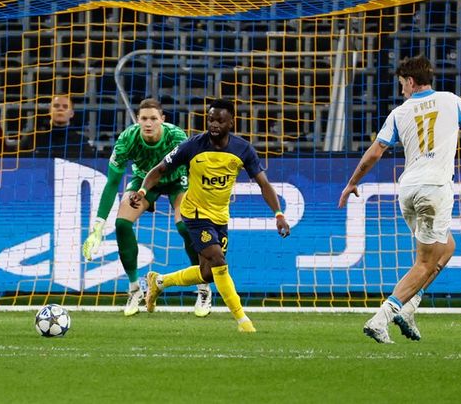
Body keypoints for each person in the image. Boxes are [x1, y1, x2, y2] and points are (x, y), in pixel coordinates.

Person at [339, 54, 461, 344]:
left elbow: (374, 153)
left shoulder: (399, 112)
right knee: (425, 261)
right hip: (435, 188)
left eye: (401, 85)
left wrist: (352, 183)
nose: (401, 90)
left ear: (410, 81)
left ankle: (409, 307)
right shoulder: (451, 100)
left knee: (446, 248)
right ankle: (381, 318)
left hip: (408, 189)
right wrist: (454, 128)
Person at [133, 99, 290, 333]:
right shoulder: (192, 146)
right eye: (211, 119)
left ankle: (159, 281)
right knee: (219, 261)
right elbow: (159, 170)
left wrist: (278, 214)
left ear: (231, 122)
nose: (214, 124)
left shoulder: (242, 150)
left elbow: (263, 184)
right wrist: (143, 191)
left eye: (220, 120)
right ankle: (242, 320)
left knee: (207, 273)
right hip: (195, 214)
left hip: (220, 217)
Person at [82, 98, 210, 317]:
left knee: (185, 227)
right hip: (144, 183)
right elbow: (112, 183)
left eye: (153, 118)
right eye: (143, 118)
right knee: (122, 224)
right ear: (137, 120)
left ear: (162, 119)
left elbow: (194, 170)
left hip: (176, 181)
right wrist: (97, 227)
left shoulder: (176, 136)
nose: (148, 123)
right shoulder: (127, 139)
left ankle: (203, 288)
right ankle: (134, 289)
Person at [25, 95, 96, 158]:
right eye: (56, 106)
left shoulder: (81, 142)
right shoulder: (32, 138)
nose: (60, 109)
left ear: (71, 113)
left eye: (65, 106)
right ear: (49, 111)